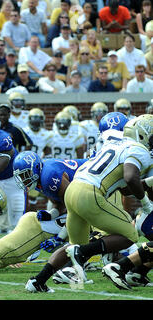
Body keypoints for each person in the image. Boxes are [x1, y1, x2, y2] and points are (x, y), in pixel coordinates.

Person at [26, 114, 153, 292]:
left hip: (74, 189)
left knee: (72, 245)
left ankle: (37, 281)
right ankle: (84, 252)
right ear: (141, 134)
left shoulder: (112, 144)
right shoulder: (137, 148)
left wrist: (148, 182)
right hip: (90, 193)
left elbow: (125, 188)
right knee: (130, 235)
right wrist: (146, 205)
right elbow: (131, 177)